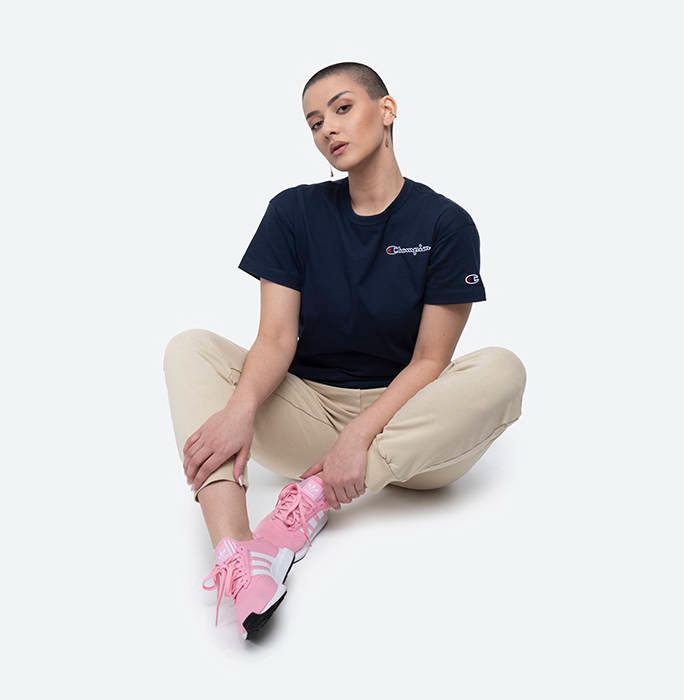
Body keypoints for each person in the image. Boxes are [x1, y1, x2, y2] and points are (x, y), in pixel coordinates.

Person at [163, 61, 527, 640]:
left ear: (387, 110)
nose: (327, 128)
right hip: (310, 417)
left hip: (410, 433)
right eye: (314, 122)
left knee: (504, 368)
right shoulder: (293, 212)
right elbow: (276, 339)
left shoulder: (446, 223)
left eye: (341, 108)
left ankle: (310, 501)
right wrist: (239, 411)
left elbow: (430, 362)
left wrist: (359, 438)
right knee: (190, 349)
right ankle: (239, 554)